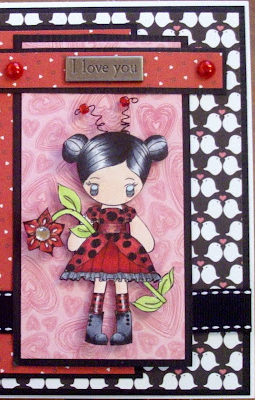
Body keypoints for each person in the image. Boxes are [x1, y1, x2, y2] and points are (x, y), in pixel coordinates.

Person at [61, 131, 168, 345]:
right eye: (95, 186)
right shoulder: (94, 213)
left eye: (129, 187)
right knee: (99, 285)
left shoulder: (127, 214)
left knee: (121, 285)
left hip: (124, 252)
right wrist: (75, 238)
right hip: (98, 250)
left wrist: (145, 242)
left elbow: (146, 240)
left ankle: (123, 331)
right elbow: (78, 235)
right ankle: (94, 331)